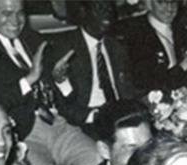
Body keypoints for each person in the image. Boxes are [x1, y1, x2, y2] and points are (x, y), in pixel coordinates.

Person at [0, 0, 100, 165]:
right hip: (23, 133)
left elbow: (66, 97)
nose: (15, 20)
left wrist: (60, 80)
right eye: (7, 13)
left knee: (98, 163)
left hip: (58, 123)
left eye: (20, 13)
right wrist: (29, 79)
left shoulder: (34, 39)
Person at [47, 0, 137, 133]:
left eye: (109, 7)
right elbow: (63, 103)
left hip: (120, 116)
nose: (107, 13)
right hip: (88, 121)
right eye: (100, 7)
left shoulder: (117, 46)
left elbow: (128, 90)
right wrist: (62, 82)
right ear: (84, 11)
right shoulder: (63, 46)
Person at [117, 0, 187, 96]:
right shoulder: (134, 34)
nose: (169, 8)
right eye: (161, 2)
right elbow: (144, 84)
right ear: (149, 3)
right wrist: (183, 66)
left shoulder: (183, 33)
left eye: (174, 2)